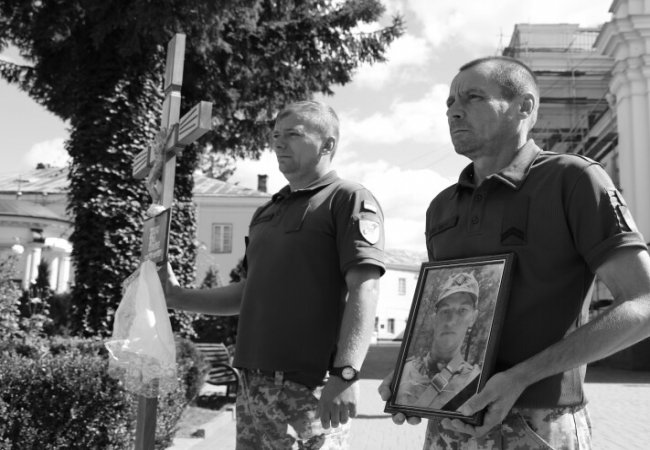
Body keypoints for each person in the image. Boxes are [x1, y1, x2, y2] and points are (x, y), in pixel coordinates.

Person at [378, 55, 650, 449]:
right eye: (450, 102)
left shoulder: (573, 180)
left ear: (524, 106)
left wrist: (521, 377)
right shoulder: (442, 206)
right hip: (449, 424)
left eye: (473, 97)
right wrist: (409, 373)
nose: (454, 111)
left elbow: (643, 303)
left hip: (538, 423)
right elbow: (438, 311)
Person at [163, 100, 386, 449]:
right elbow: (248, 292)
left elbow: (365, 288)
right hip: (253, 384)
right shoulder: (267, 211)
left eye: (293, 135)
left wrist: (346, 374)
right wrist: (177, 297)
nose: (278, 143)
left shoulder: (347, 199)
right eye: (276, 135)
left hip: (309, 387)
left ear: (327, 144)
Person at [396, 272, 480, 410]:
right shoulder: (406, 370)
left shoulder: (474, 380)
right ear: (434, 319)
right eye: (445, 311)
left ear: (473, 318)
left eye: (462, 311)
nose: (451, 321)